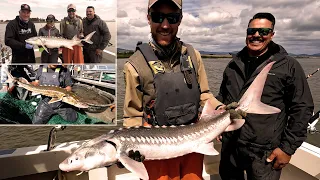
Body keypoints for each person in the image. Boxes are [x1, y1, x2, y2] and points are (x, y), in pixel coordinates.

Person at [123, 0, 223, 179]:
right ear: (148, 18)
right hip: (155, 150)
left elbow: (205, 94)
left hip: (194, 141)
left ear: (180, 20)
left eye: (172, 17)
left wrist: (221, 110)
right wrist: (130, 149)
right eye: (158, 17)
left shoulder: (193, 55)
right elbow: (132, 115)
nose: (165, 25)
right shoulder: (134, 65)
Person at [216, 12, 314, 180]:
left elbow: (302, 108)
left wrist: (287, 149)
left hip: (264, 153)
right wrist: (218, 118)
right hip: (230, 147)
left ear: (272, 34)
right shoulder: (233, 65)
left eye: (263, 31)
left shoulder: (288, 66)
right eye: (251, 31)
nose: (256, 35)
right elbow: (223, 96)